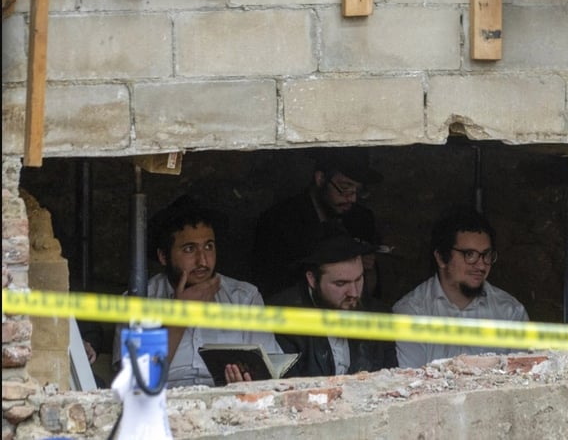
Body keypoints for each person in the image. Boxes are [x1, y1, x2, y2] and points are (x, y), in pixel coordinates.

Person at [112, 195, 284, 387]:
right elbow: (136, 383)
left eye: (209, 247)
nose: (202, 261)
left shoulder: (244, 298)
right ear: (163, 256)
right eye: (189, 249)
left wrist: (243, 386)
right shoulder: (138, 301)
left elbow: (272, 377)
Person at [392, 205, 529, 368]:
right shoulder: (412, 312)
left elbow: (521, 380)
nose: (481, 265)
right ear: (442, 258)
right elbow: (410, 381)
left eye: (486, 255)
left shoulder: (510, 312)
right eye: (469, 255)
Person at [252, 148, 383, 300]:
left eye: (358, 191)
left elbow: (372, 293)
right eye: (345, 188)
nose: (352, 198)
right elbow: (270, 285)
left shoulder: (361, 219)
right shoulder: (278, 221)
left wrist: (367, 268)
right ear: (320, 179)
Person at [267, 231, 397, 377]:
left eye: (358, 279)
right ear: (312, 280)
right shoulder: (284, 318)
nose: (353, 293)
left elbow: (390, 382)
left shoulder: (379, 315)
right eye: (341, 283)